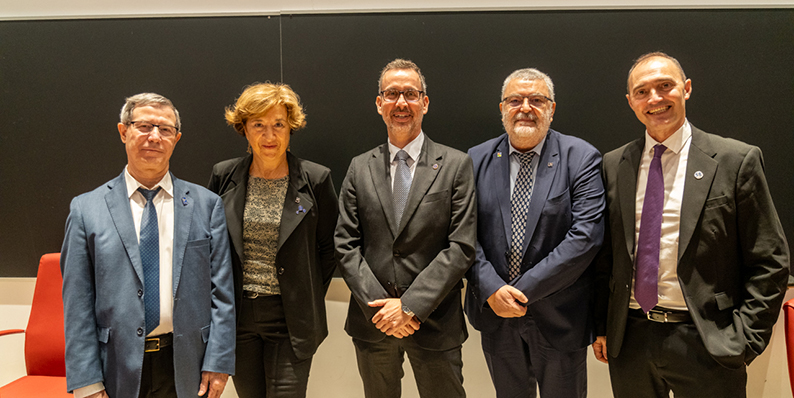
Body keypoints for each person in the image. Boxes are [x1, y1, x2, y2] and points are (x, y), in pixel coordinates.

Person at [592, 52, 790, 398]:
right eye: (642, 91)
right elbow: (606, 256)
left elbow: (770, 260)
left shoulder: (734, 160)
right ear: (630, 102)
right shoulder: (614, 163)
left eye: (664, 86)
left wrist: (744, 340)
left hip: (708, 342)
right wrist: (603, 325)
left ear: (686, 89)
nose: (654, 99)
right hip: (632, 342)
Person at [61, 93, 235, 398]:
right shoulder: (86, 210)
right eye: (143, 126)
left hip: (188, 367)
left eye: (165, 129)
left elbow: (223, 294)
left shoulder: (207, 206)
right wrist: (86, 381)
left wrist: (219, 362)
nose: (154, 136)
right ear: (123, 131)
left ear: (176, 138)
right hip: (115, 367)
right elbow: (77, 303)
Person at [335, 58, 477, 398]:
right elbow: (345, 244)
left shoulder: (456, 165)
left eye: (410, 94)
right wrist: (383, 308)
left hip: (435, 321)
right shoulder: (359, 168)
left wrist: (409, 305)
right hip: (375, 323)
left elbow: (461, 247)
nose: (401, 103)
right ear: (379, 103)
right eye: (392, 94)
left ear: (424, 103)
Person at [464, 68, 605, 398]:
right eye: (515, 100)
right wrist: (492, 289)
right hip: (496, 316)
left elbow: (585, 238)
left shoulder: (581, 158)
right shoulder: (476, 158)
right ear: (502, 108)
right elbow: (463, 235)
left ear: (551, 108)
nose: (525, 108)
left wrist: (517, 291)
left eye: (537, 100)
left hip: (559, 317)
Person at [208, 83, 338, 398]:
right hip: (239, 321)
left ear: (290, 128)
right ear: (244, 129)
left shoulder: (316, 180)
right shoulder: (223, 176)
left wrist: (302, 294)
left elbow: (328, 251)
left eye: (278, 125)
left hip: (291, 320)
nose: (270, 136)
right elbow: (209, 248)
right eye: (259, 126)